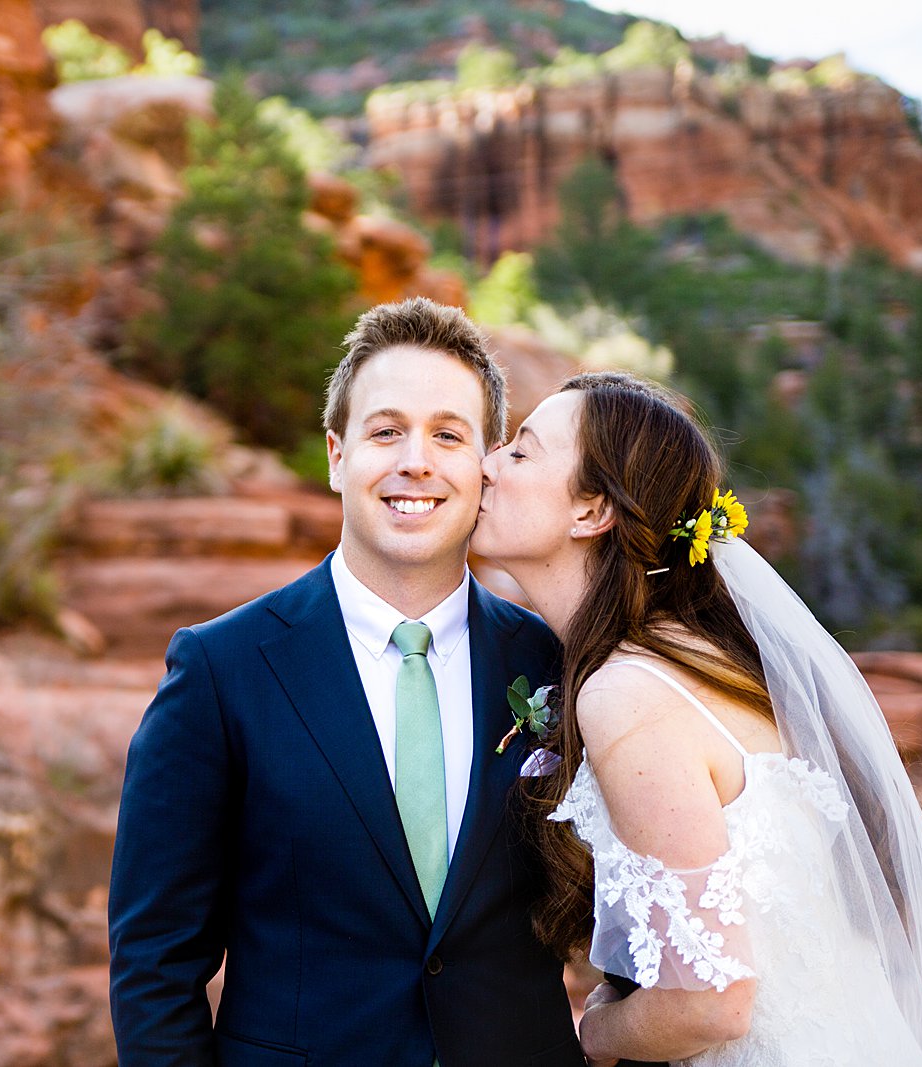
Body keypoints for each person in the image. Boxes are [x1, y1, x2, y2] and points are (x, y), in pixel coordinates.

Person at [471, 371, 922, 1066]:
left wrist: (594, 1035)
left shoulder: (627, 694)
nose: (487, 462)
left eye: (520, 451)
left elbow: (712, 1000)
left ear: (591, 510)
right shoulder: (700, 658)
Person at [108, 298, 584, 1066]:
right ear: (336, 454)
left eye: (448, 435)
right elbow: (154, 961)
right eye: (386, 430)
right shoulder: (219, 669)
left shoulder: (558, 663)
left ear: (486, 467)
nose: (416, 461)